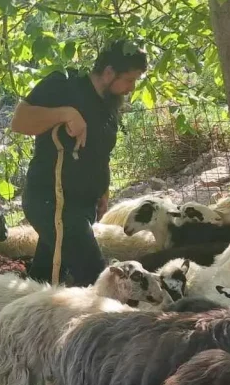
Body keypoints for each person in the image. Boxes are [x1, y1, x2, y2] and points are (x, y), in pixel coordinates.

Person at [9, 40, 148, 286]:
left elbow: (100, 154)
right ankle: (109, 322)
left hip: (81, 208)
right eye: (129, 80)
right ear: (108, 73)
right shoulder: (64, 84)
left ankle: (24, 319)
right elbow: (19, 121)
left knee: (47, 276)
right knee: (97, 276)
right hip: (52, 202)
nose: (131, 88)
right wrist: (66, 113)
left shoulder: (108, 106)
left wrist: (103, 191)